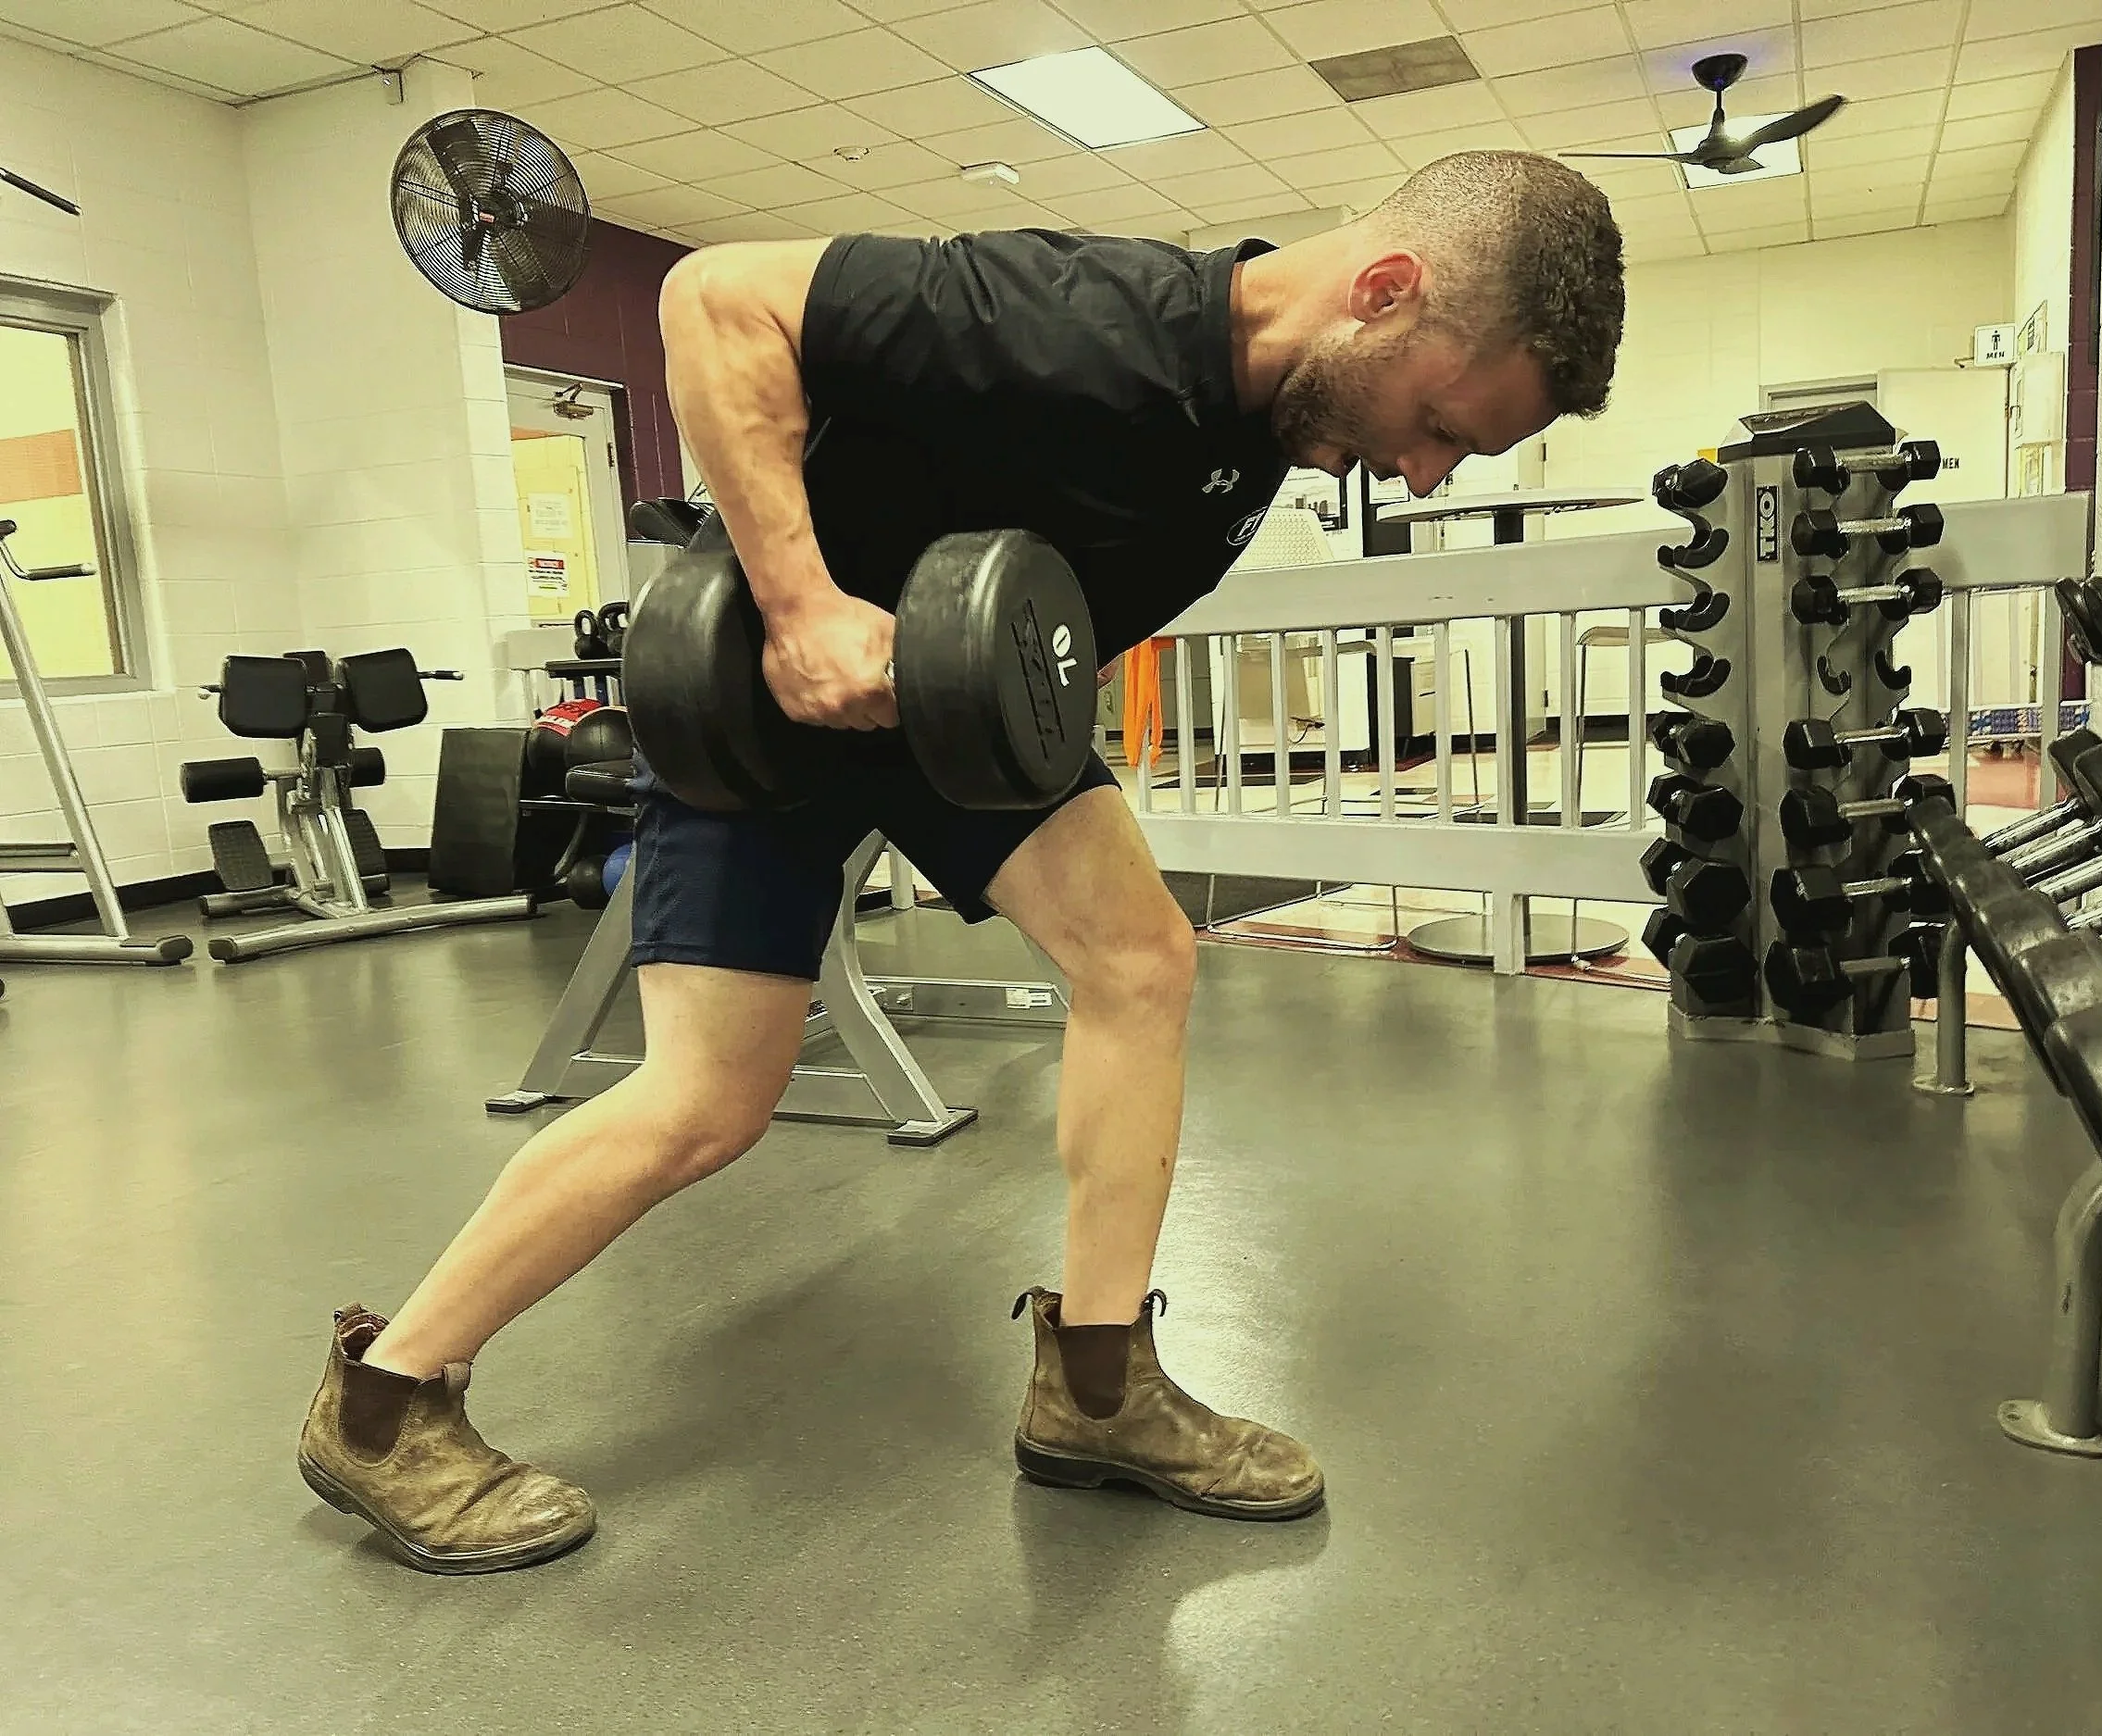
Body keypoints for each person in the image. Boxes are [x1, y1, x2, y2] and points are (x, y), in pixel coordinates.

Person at [297, 149, 1626, 1573]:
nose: (1419, 472)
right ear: (1384, 291)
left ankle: (1097, 1391)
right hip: (777, 694)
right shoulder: (1070, 316)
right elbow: (710, 297)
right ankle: (385, 1402)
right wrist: (804, 609)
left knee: (1139, 959)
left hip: (959, 706)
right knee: (706, 1099)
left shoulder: (1267, 416)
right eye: (1437, 426)